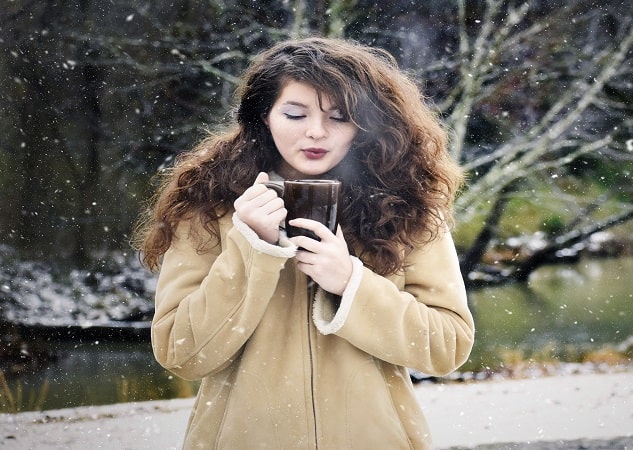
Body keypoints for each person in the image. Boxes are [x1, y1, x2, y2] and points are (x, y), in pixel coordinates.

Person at [132, 37, 474, 449]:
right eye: (295, 114)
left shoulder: (406, 203)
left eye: (339, 116)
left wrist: (352, 284)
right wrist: (251, 248)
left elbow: (447, 346)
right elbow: (181, 354)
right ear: (265, 116)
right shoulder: (208, 203)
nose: (316, 132)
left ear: (365, 124)